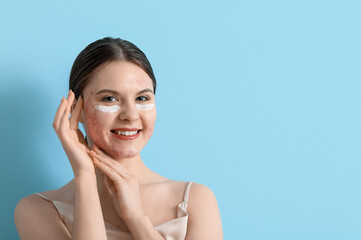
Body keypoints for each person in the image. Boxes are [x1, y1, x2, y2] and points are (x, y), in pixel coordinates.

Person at [14, 37, 223, 240]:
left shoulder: (195, 201)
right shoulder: (38, 209)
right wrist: (85, 177)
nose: (130, 115)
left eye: (142, 98)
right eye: (109, 98)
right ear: (78, 111)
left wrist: (136, 218)